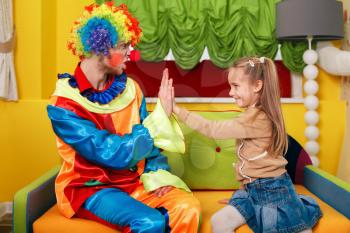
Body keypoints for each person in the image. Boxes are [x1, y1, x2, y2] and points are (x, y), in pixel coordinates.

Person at [47, 3, 200, 233]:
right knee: (150, 221)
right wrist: (159, 118)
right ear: (101, 47)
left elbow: (153, 149)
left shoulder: (131, 89)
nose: (131, 52)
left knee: (188, 208)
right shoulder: (63, 105)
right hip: (90, 188)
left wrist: (157, 176)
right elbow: (108, 151)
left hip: (132, 183)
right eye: (124, 46)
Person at [160, 56, 322, 233]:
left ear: (257, 86)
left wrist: (175, 108)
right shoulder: (250, 115)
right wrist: (242, 194)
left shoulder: (257, 118)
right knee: (219, 221)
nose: (230, 92)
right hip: (252, 191)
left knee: (289, 226)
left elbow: (212, 129)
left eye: (236, 86)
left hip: (273, 192)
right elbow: (251, 163)